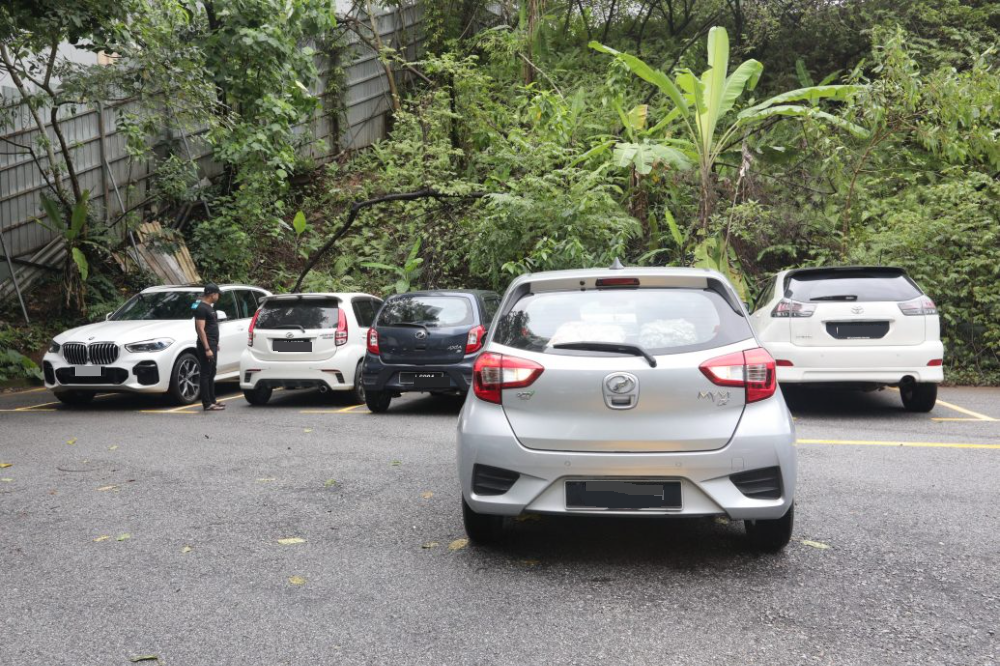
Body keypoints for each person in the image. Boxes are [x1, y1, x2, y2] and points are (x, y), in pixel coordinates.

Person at [193, 284, 225, 411]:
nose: (218, 296)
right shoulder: (201, 308)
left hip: (212, 343)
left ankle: (213, 400)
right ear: (212, 294)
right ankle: (207, 403)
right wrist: (207, 348)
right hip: (206, 345)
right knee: (206, 373)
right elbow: (200, 329)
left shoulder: (207, 307)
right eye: (217, 294)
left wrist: (215, 344)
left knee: (212, 372)